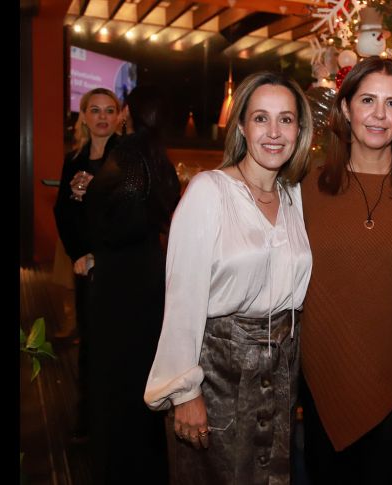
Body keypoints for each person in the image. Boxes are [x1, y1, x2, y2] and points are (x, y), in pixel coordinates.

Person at [144, 72, 313, 485]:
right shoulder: (209, 191)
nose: (274, 133)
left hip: (281, 373)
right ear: (241, 126)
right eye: (261, 119)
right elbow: (182, 298)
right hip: (219, 373)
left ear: (299, 130)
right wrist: (185, 392)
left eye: (286, 120)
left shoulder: (295, 196)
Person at [299, 57, 392, 484]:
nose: (380, 115)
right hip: (320, 374)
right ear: (345, 109)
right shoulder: (304, 188)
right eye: (368, 100)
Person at [85, 85, 181, 484]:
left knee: (115, 375)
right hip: (152, 273)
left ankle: (118, 466)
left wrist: (87, 201)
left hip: (119, 276)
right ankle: (149, 464)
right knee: (145, 369)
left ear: (128, 112)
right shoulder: (162, 158)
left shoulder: (125, 154)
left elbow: (106, 212)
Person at [52, 87, 121, 443]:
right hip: (83, 267)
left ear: (119, 116)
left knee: (114, 344)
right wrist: (78, 253)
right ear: (83, 116)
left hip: (115, 267)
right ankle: (87, 417)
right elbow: (63, 212)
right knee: (89, 344)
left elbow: (127, 217)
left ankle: (112, 418)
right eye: (95, 110)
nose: (103, 117)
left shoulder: (124, 158)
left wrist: (101, 255)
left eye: (109, 110)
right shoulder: (75, 159)